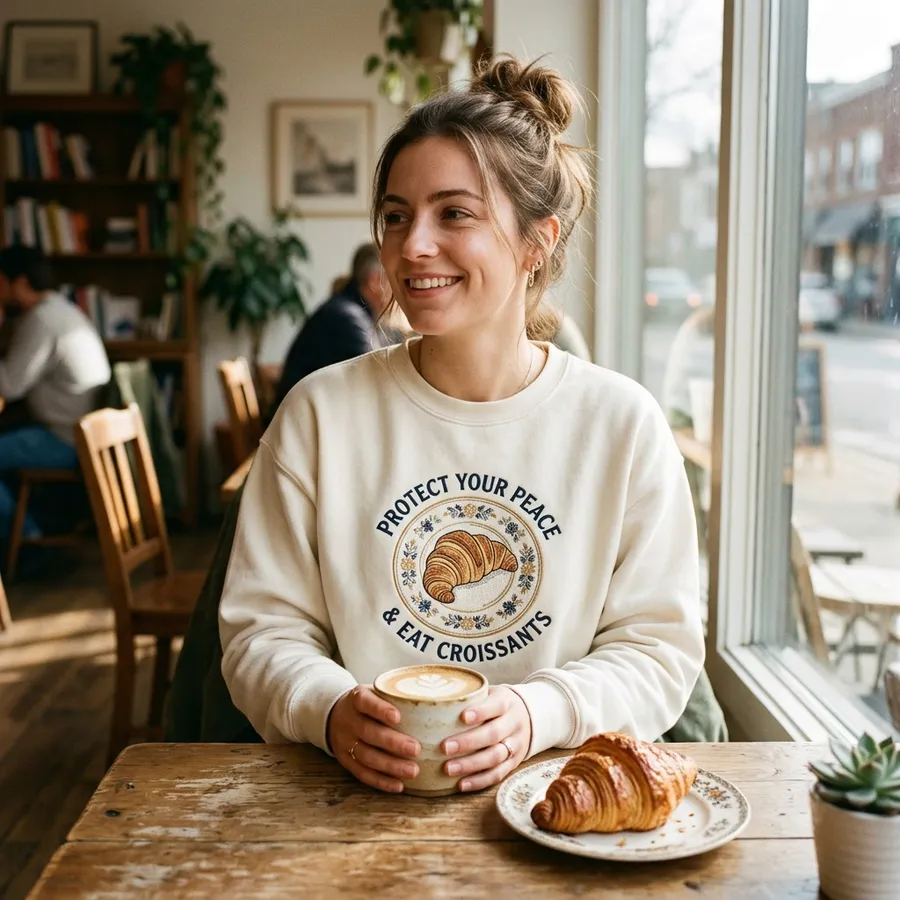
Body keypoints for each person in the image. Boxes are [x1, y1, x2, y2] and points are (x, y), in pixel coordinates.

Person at [219, 56, 705, 796]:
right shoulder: (319, 415)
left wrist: (540, 711)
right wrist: (326, 710)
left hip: (553, 800)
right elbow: (260, 631)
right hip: (350, 802)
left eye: (454, 213)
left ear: (536, 242)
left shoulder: (621, 425)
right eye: (395, 215)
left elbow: (659, 649)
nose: (412, 245)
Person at [0, 246, 111, 544]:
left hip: (65, 439)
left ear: (19, 283)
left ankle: (25, 538)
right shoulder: (61, 309)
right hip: (82, 433)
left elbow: (9, 386)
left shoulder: (42, 321)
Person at [272, 243, 394, 411]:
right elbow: (381, 380)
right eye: (395, 277)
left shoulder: (347, 310)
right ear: (375, 280)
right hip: (302, 427)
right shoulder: (347, 318)